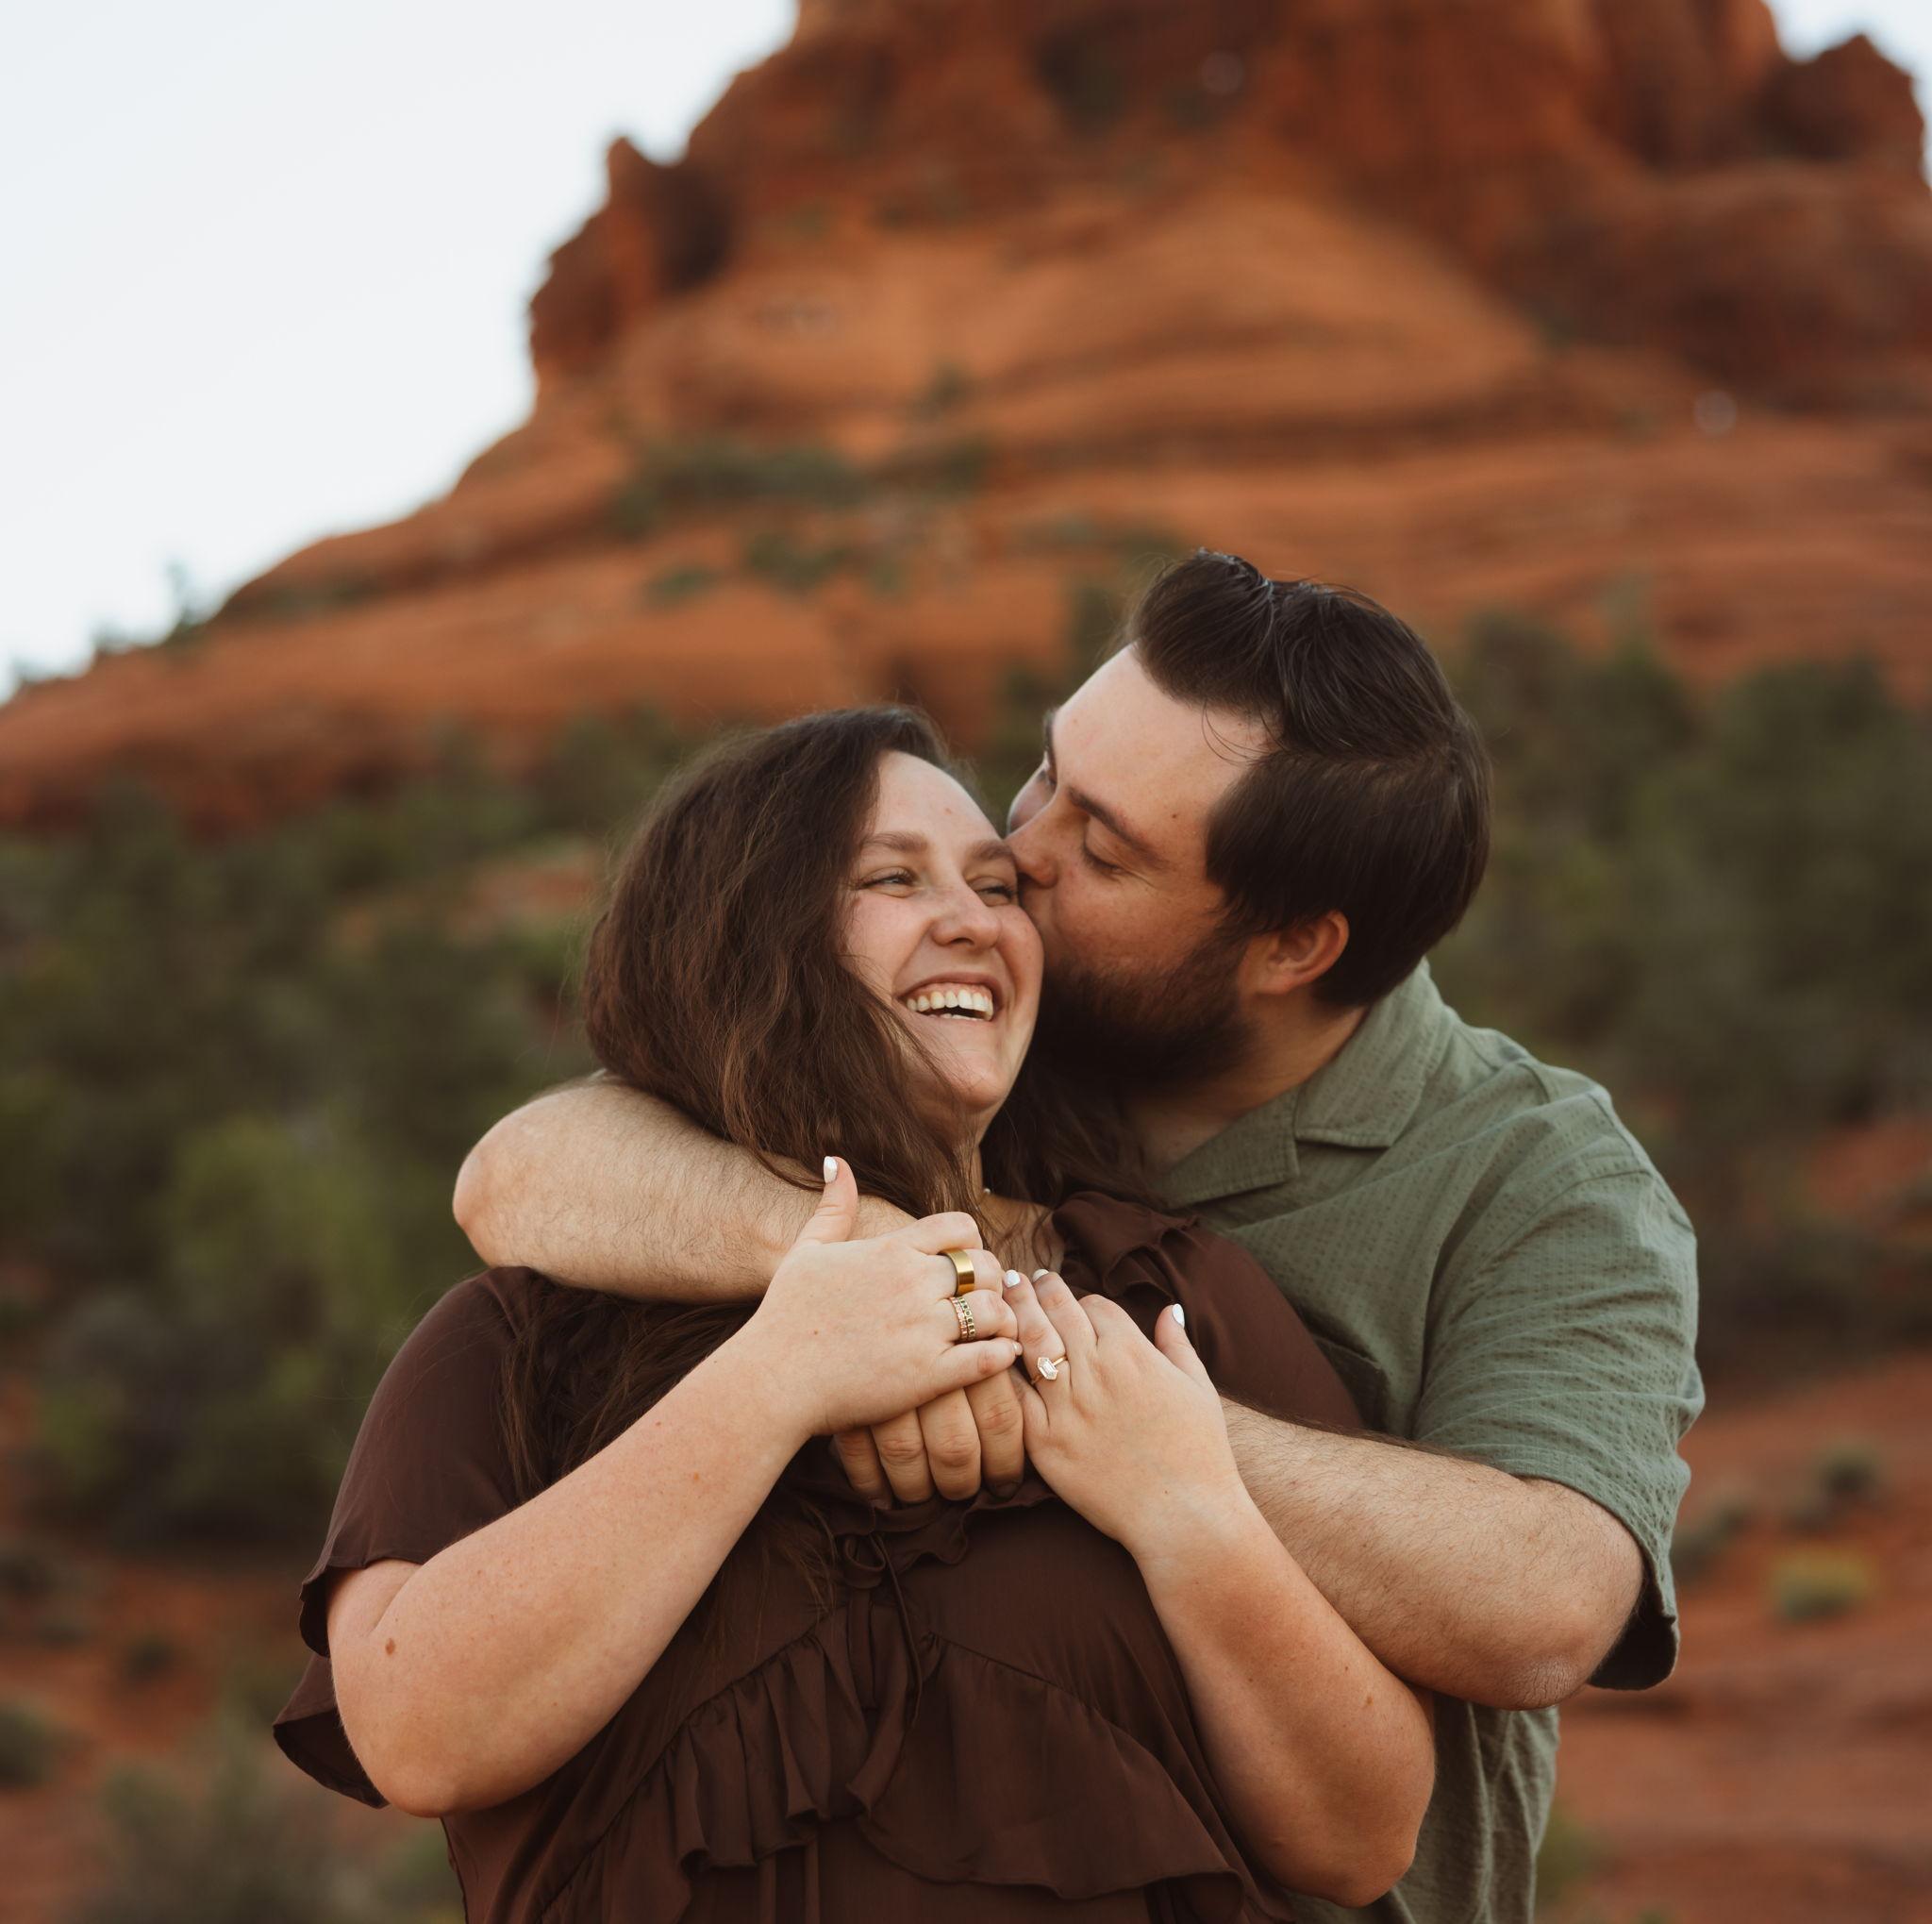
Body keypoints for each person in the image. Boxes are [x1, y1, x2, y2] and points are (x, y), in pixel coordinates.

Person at [454, 551, 1705, 1924]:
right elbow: (527, 1169)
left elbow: (1545, 1601)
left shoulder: (1540, 1174)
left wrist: (1090, 1399)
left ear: (1290, 948)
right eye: (1048, 771)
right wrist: (895, 1272)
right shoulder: (977, 1028)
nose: (1017, 858)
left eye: (1103, 848)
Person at [275, 704, 1436, 1921]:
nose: (972, 922)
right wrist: (778, 1377)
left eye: (998, 886)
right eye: (891, 876)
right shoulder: (520, 1339)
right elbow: (420, 1739)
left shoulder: (1172, 1295)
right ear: (740, 940)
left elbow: (1361, 1840)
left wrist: (1192, 1511)